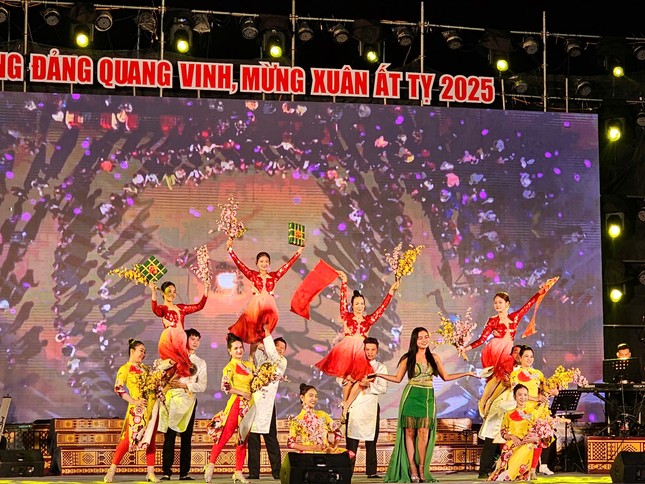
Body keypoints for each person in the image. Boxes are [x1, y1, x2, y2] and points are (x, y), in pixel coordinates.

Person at [375, 327, 479, 483]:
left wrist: (466, 373)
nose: (424, 340)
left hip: (427, 398)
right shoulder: (408, 358)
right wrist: (378, 374)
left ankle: (422, 468)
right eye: (420, 337)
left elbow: (446, 377)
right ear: (415, 340)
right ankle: (412, 468)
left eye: (426, 337)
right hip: (411, 396)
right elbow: (397, 378)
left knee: (423, 433)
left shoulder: (434, 357)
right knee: (410, 433)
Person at [459, 277, 557, 417]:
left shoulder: (514, 317)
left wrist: (540, 292)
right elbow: (482, 339)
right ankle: (483, 401)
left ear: (507, 304)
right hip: (496, 349)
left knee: (506, 380)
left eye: (500, 302)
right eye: (495, 303)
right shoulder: (492, 320)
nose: (497, 305)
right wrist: (466, 348)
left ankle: (490, 402)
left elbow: (528, 305)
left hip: (508, 350)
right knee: (497, 377)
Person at [315, 270, 399, 419]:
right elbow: (342, 301)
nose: (360, 306)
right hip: (347, 349)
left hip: (361, 351)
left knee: (361, 380)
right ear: (352, 305)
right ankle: (344, 407)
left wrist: (390, 293)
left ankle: (347, 405)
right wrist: (344, 282)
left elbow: (381, 309)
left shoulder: (369, 319)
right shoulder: (346, 316)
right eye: (357, 303)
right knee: (347, 380)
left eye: (362, 303)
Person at [104, 339, 172, 483]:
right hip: (138, 410)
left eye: (144, 352)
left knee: (151, 441)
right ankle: (111, 470)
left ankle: (150, 473)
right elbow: (118, 388)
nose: (143, 354)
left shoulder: (146, 369)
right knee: (127, 440)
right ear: (132, 351)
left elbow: (156, 383)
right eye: (141, 351)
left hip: (153, 408)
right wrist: (134, 401)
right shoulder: (125, 369)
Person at [226, 237, 303, 344]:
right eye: (261, 261)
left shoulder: (274, 276)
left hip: (269, 308)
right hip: (256, 307)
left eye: (266, 261)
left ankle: (263, 351)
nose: (264, 263)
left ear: (269, 263)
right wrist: (230, 250)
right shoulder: (252, 275)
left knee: (264, 333)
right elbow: (240, 264)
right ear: (257, 263)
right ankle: (253, 353)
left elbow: (287, 265)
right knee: (254, 334)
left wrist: (299, 251)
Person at [204, 333, 255, 484]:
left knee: (242, 439)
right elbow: (226, 387)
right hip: (236, 404)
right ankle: (210, 466)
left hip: (248, 406)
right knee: (224, 436)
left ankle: (238, 472)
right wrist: (243, 393)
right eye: (235, 348)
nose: (239, 350)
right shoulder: (229, 367)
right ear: (229, 351)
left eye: (240, 347)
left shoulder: (249, 365)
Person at [159, 328, 207, 481]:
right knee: (170, 436)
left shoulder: (200, 362)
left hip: (189, 400)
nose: (195, 342)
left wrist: (185, 385)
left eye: (198, 340)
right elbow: (159, 372)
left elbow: (202, 385)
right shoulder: (173, 357)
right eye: (192, 339)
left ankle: (184, 473)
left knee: (186, 437)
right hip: (172, 399)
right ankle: (166, 472)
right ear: (184, 340)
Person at [247, 324, 288, 480]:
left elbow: (273, 356)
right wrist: (258, 342)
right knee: (253, 438)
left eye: (283, 348)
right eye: (277, 346)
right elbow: (253, 350)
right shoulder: (263, 358)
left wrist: (267, 333)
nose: (280, 349)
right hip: (255, 401)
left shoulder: (281, 362)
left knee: (271, 438)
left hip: (268, 404)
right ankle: (253, 472)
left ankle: (277, 471)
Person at [488, 384, 553, 481]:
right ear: (515, 397)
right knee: (500, 476)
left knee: (528, 448)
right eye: (520, 395)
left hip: (527, 445)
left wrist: (536, 439)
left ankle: (517, 473)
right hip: (513, 444)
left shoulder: (534, 413)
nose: (523, 397)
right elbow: (503, 432)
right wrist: (512, 436)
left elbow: (546, 434)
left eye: (525, 395)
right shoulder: (508, 413)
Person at [509, 345, 556, 479]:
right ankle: (522, 468)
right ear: (520, 358)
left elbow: (545, 388)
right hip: (524, 410)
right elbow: (516, 392)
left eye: (531, 357)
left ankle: (533, 469)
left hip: (539, 411)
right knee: (525, 441)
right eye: (526, 356)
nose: (529, 359)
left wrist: (553, 390)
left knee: (539, 440)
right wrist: (536, 398)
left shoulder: (538, 374)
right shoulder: (515, 374)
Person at [477, 344, 523, 479]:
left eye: (520, 353)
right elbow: (495, 383)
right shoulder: (505, 368)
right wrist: (486, 401)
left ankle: (513, 468)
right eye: (515, 352)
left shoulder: (528, 372)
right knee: (491, 436)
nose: (517, 355)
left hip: (517, 404)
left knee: (514, 436)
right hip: (502, 403)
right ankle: (484, 470)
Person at [345, 337, 388, 479]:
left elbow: (383, 388)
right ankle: (348, 471)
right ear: (363, 350)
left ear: (377, 351)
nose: (370, 352)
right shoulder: (355, 365)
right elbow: (344, 381)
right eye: (367, 349)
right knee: (351, 441)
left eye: (372, 349)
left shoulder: (381, 368)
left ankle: (371, 471)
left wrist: (369, 384)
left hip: (371, 406)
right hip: (355, 405)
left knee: (371, 441)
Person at [150, 278, 209, 378]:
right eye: (169, 291)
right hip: (170, 340)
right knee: (174, 365)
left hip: (180, 339)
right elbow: (155, 310)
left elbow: (199, 306)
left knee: (183, 368)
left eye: (174, 292)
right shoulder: (163, 309)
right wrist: (153, 291)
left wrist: (206, 289)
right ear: (163, 293)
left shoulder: (180, 308)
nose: (172, 294)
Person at [286, 383, 348, 455]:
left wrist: (334, 447)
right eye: (311, 396)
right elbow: (290, 443)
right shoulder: (297, 420)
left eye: (316, 396)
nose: (314, 399)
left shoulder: (323, 415)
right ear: (302, 398)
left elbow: (338, 433)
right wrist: (313, 448)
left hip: (326, 454)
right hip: (307, 456)